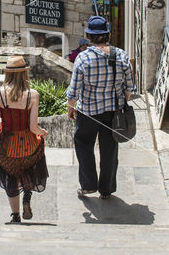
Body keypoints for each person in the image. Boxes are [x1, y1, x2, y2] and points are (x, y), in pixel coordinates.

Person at [66, 16, 135, 200]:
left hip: (88, 112)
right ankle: (107, 189)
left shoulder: (83, 58)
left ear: (88, 36)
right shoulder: (121, 55)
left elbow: (74, 90)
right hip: (113, 112)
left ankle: (88, 185)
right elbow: (129, 89)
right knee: (110, 149)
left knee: (83, 144)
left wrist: (71, 107)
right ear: (108, 34)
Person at [0, 55, 49, 223]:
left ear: (7, 73)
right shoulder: (33, 95)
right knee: (31, 160)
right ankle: (27, 195)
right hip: (28, 144)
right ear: (25, 73)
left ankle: (15, 215)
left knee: (10, 173)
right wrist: (42, 132)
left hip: (8, 144)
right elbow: (33, 128)